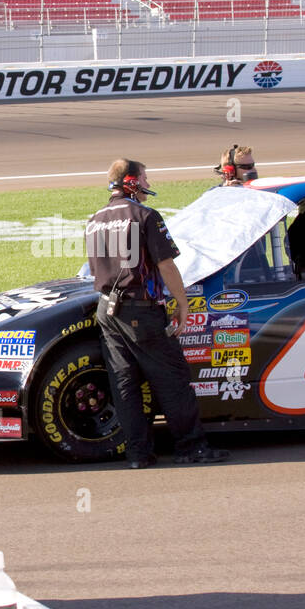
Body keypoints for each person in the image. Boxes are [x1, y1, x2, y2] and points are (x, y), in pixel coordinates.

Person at [85, 159, 228, 468]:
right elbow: (166, 264)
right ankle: (192, 448)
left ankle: (138, 454)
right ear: (132, 181)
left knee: (125, 384)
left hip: (107, 309)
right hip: (141, 309)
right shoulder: (144, 215)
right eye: (145, 177)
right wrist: (183, 302)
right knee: (173, 379)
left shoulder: (94, 219)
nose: (149, 183)